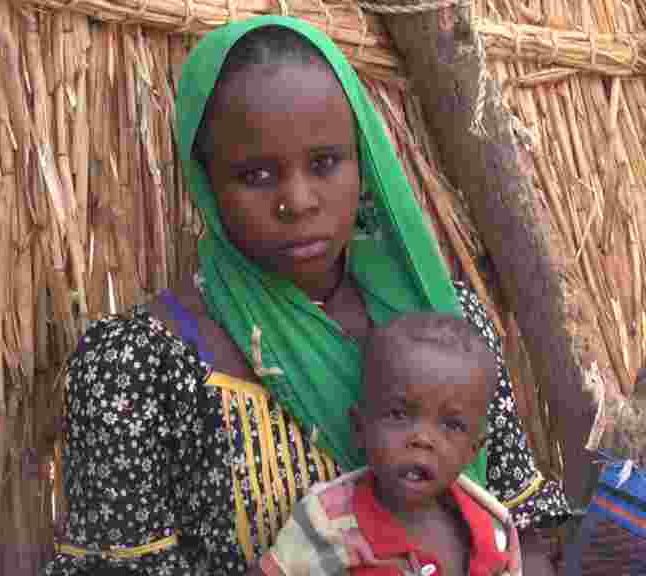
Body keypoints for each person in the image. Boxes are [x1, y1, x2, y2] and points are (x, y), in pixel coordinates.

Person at [42, 15, 569, 576]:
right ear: (206, 181)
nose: (298, 200)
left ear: (362, 163)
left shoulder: (449, 325)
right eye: (256, 175)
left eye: (324, 164)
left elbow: (525, 528)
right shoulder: (135, 365)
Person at [251, 312, 522, 576]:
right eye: (399, 414)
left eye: (451, 425)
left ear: (473, 450)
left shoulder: (493, 528)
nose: (422, 439)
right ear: (360, 428)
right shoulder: (326, 524)